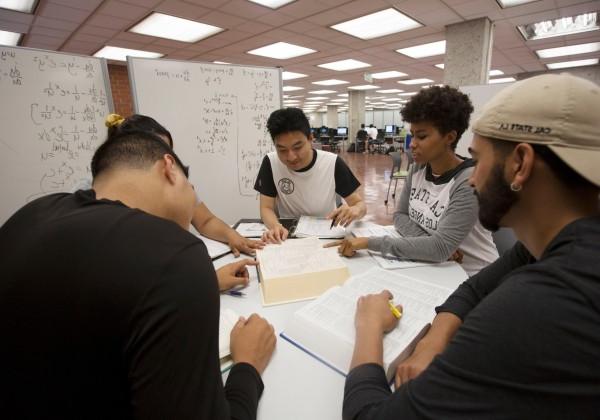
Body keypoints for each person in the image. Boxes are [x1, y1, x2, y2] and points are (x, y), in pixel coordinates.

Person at [342, 73, 600, 419]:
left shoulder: (537, 303)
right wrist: (435, 339)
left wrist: (370, 325)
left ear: (520, 164)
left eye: (478, 160)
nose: (474, 179)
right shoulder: (550, 245)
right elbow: (475, 288)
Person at [0, 129, 276, 418]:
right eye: (191, 186)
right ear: (169, 168)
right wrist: (248, 366)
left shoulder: (31, 215)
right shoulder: (174, 254)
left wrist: (208, 281)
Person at [327, 86, 498, 276]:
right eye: (413, 135)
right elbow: (400, 216)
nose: (412, 143)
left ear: (450, 137)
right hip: (435, 266)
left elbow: (438, 249)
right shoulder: (418, 168)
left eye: (422, 136)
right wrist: (430, 244)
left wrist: (369, 242)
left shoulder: (468, 180)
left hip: (472, 275)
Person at [102, 113, 264, 257]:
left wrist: (231, 235)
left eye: (169, 153)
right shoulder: (100, 196)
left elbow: (205, 220)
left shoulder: (176, 184)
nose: (167, 164)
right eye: (155, 155)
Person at [254, 107, 366, 243]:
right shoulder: (271, 162)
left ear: (310, 138)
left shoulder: (332, 163)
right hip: (288, 235)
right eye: (282, 149)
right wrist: (275, 226)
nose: (291, 157)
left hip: (325, 235)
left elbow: (360, 204)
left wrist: (355, 210)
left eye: (297, 147)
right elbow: (266, 208)